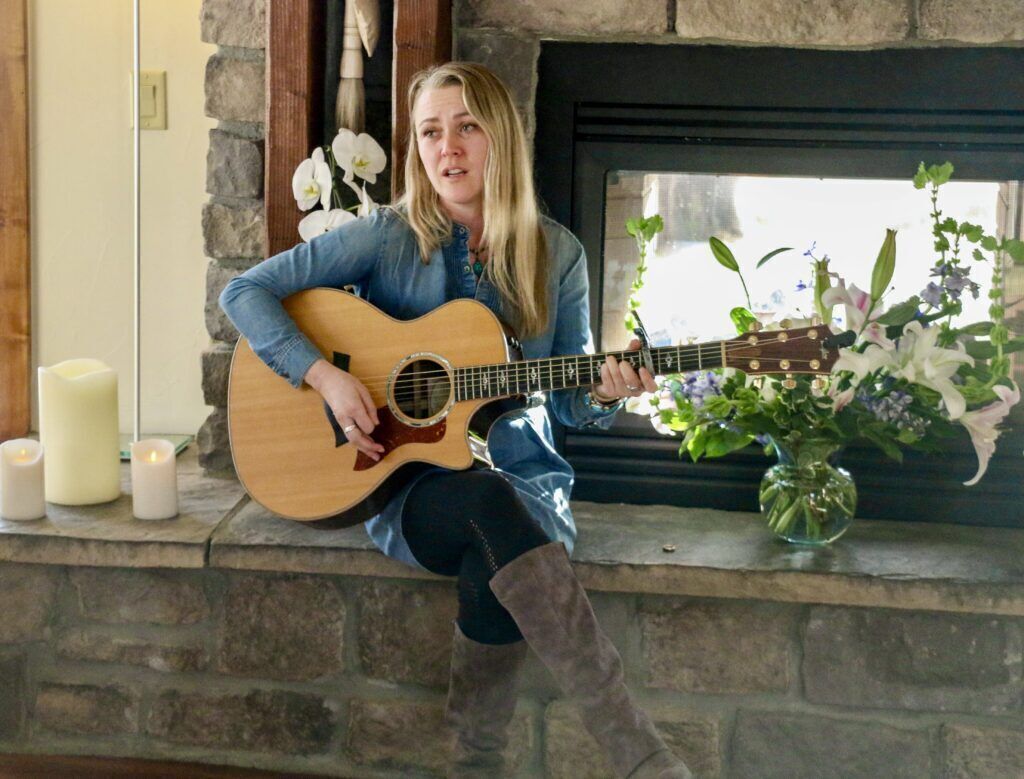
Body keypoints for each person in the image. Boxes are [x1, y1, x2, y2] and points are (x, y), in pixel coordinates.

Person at [220, 62, 691, 779]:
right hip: (405, 486)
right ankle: (641, 757)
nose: (449, 148)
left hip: (521, 483)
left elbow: (567, 401)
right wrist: (326, 374)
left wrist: (607, 391)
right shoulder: (385, 235)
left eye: (466, 126)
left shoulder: (557, 253)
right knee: (482, 503)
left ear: (499, 137)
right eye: (431, 132)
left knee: (494, 531)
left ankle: (476, 766)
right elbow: (244, 291)